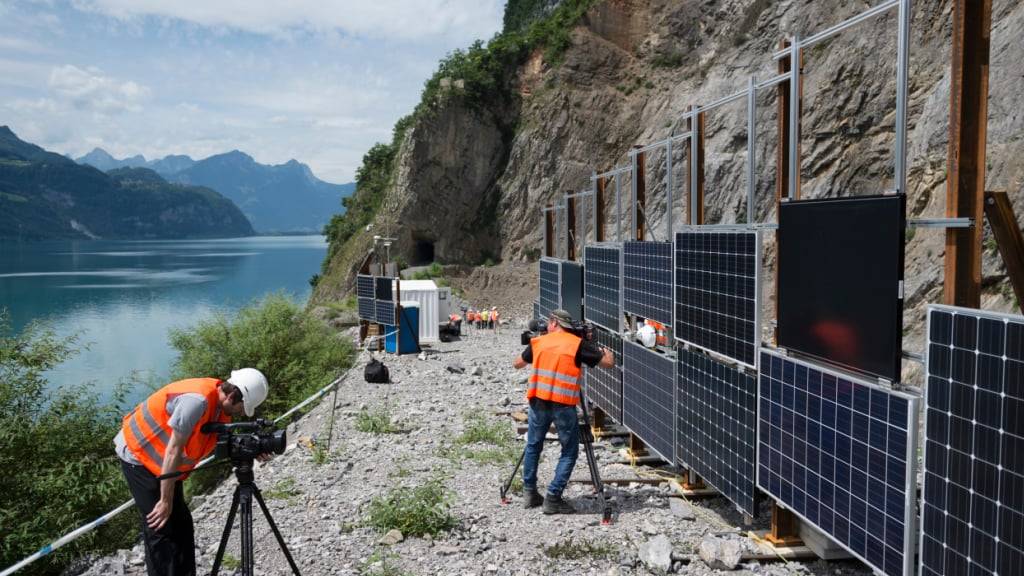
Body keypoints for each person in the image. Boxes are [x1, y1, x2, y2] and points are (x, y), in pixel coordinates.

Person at [114, 368, 270, 576]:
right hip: (138, 456)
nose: (242, 412)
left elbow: (212, 439)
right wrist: (165, 500)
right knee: (161, 527)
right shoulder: (196, 402)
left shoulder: (219, 406)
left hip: (166, 464)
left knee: (182, 525)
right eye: (243, 407)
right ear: (232, 395)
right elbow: (174, 450)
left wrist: (252, 448)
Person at [512, 309, 613, 514]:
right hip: (563, 404)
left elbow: (517, 364)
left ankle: (529, 492)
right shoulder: (577, 344)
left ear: (553, 323)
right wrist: (608, 353)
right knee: (569, 450)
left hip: (538, 402)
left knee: (533, 445)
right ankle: (553, 497)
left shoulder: (540, 342)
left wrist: (538, 347)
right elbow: (608, 364)